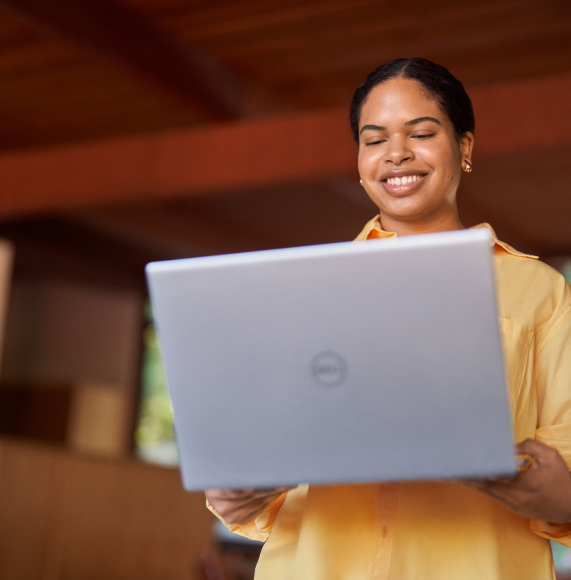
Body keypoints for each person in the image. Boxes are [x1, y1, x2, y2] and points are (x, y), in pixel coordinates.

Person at [205, 58, 571, 579]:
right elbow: (240, 501)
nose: (396, 153)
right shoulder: (304, 289)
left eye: (421, 133)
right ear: (359, 159)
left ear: (464, 147)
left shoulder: (541, 294)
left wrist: (506, 470)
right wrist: (238, 488)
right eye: (373, 139)